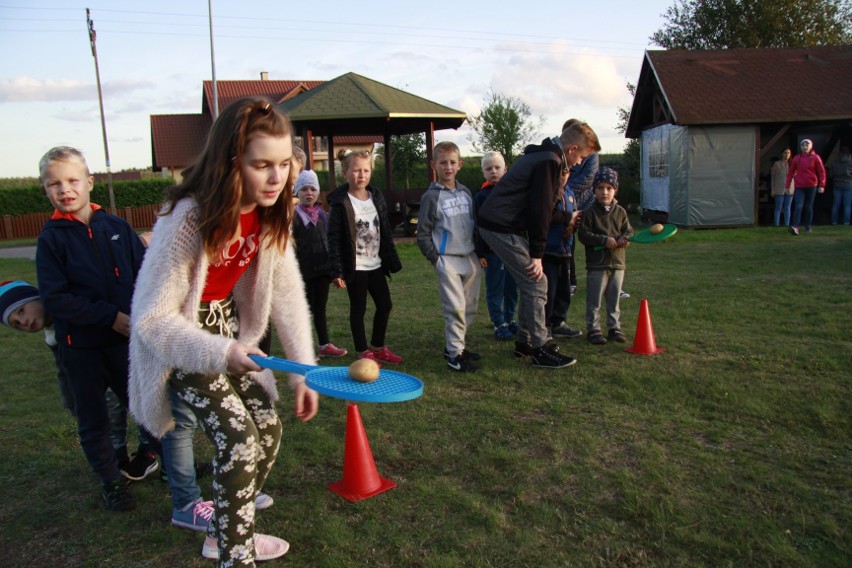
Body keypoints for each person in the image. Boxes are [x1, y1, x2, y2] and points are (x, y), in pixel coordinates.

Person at [129, 97, 319, 565]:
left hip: (230, 334)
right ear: (231, 162)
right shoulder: (188, 218)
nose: (277, 178)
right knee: (239, 439)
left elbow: (288, 291)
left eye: (283, 164)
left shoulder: (272, 211)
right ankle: (236, 553)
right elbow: (151, 319)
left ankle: (223, 525)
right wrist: (222, 351)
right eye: (261, 166)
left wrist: (302, 373)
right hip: (185, 343)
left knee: (268, 429)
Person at [35, 146, 161, 511]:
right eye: (54, 184)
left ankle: (163, 462)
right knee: (96, 419)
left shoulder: (116, 225)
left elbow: (145, 274)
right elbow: (56, 299)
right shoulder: (52, 239)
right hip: (81, 347)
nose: (65, 189)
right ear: (46, 190)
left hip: (127, 343)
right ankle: (111, 481)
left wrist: (142, 315)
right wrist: (108, 316)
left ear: (89, 182)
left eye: (73, 180)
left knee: (147, 407)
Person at [0, 280, 160, 481]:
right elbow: (63, 370)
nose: (22, 322)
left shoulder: (71, 313)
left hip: (124, 359)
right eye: (16, 323)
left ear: (39, 297)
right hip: (95, 377)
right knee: (108, 409)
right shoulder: (52, 336)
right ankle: (118, 454)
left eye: (21, 311)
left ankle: (151, 451)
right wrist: (71, 399)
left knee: (140, 404)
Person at [477, 121, 601, 368]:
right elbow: (539, 211)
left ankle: (525, 342)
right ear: (573, 149)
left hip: (498, 224)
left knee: (531, 281)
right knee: (536, 281)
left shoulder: (546, 156)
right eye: (582, 157)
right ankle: (539, 347)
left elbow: (542, 206)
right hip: (498, 226)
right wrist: (537, 254)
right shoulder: (550, 161)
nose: (579, 164)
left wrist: (566, 217)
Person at [327, 149, 403, 366]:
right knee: (358, 308)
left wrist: (390, 258)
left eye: (366, 170)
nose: (361, 175)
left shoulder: (376, 197)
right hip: (356, 267)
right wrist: (336, 270)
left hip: (376, 265)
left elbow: (385, 230)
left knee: (385, 304)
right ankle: (363, 350)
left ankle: (378, 347)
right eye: (357, 170)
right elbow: (333, 239)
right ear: (345, 172)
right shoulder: (340, 203)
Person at [418, 141, 482, 373]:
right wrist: (436, 259)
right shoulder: (431, 197)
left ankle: (456, 346)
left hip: (470, 256)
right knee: (455, 307)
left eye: (452, 162)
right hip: (447, 259)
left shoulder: (466, 193)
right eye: (443, 162)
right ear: (433, 165)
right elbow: (422, 232)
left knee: (469, 306)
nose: (448, 167)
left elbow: (474, 225)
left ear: (460, 165)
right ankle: (455, 356)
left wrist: (479, 252)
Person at [292, 169, 347, 358]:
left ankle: (324, 345)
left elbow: (333, 244)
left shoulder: (325, 216)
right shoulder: (293, 218)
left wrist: (335, 271)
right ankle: (304, 349)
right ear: (297, 192)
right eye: (304, 189)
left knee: (320, 308)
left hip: (323, 271)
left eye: (313, 189)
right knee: (304, 310)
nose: (309, 193)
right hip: (303, 272)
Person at [577, 167, 634, 345]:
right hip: (597, 265)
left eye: (609, 188)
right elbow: (583, 235)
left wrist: (624, 239)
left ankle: (614, 328)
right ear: (594, 189)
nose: (604, 192)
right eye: (600, 188)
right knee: (594, 300)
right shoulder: (589, 213)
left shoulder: (621, 212)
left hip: (617, 263)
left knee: (614, 298)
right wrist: (603, 240)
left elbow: (629, 230)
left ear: (615, 190)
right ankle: (593, 329)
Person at [474, 151, 518, 341]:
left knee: (511, 287)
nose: (493, 171)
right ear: (483, 173)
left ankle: (509, 319)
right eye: (488, 169)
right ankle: (498, 322)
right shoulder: (481, 197)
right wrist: (481, 251)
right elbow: (477, 225)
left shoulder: (512, 192)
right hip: (492, 252)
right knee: (495, 288)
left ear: (505, 169)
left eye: (497, 167)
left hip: (513, 250)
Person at [543, 169, 582, 340]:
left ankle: (559, 322)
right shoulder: (548, 193)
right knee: (548, 292)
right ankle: (545, 325)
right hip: (548, 250)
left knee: (563, 290)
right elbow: (548, 214)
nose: (562, 177)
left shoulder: (570, 193)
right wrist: (568, 218)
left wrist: (573, 226)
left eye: (565, 173)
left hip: (565, 250)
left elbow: (576, 216)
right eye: (558, 173)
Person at [786, 138, 826, 235]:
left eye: (807, 145)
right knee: (799, 206)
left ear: (811, 146)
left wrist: (822, 185)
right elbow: (790, 172)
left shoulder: (816, 157)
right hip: (799, 185)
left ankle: (808, 225)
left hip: (812, 185)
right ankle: (795, 226)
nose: (804, 147)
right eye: (803, 145)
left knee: (808, 206)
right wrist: (787, 186)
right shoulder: (796, 158)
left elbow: (821, 172)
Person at [770, 148, 795, 227]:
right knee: (778, 207)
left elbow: (797, 176)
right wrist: (772, 189)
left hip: (790, 189)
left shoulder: (793, 164)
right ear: (782, 154)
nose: (787, 154)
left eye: (788, 153)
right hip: (779, 188)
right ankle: (776, 224)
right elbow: (773, 178)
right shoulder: (776, 164)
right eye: (785, 153)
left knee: (787, 207)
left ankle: (787, 224)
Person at [828, 146, 852, 225]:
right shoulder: (850, 162)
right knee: (847, 205)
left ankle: (834, 222)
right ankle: (846, 222)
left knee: (836, 204)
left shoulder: (834, 162)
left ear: (840, 153)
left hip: (837, 184)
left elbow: (830, 174)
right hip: (848, 184)